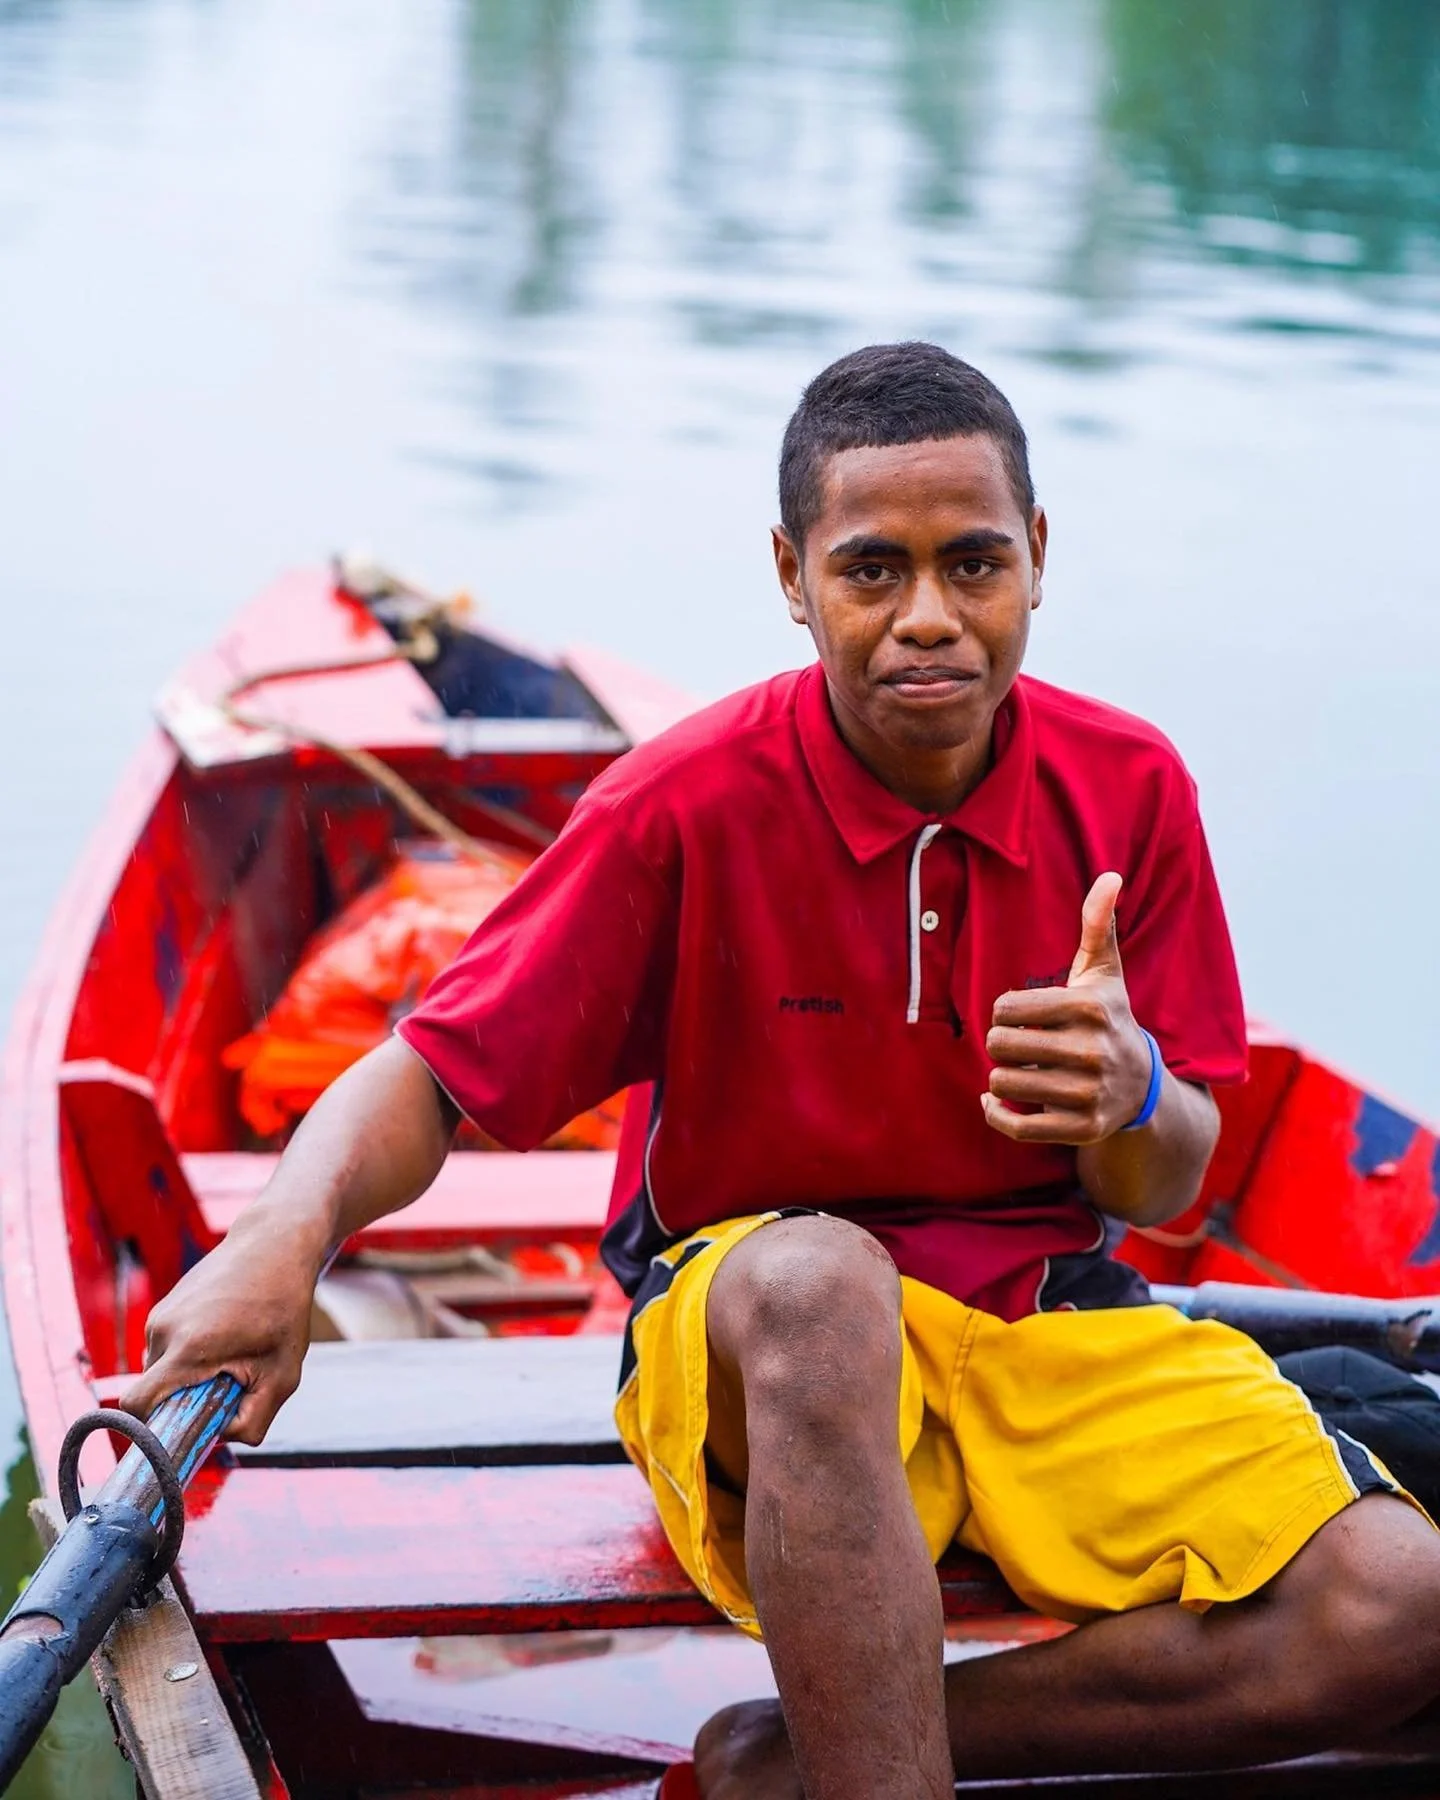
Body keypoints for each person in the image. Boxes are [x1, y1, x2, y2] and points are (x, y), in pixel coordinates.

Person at [124, 343, 1440, 1799]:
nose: (928, 619)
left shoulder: (1130, 789)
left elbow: (1169, 1174)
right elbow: (430, 1074)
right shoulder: (683, 803)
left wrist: (1129, 1093)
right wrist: (278, 1240)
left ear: (1039, 559)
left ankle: (795, 1760)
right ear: (791, 574)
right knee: (822, 1280)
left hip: (1048, 1325)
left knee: (1402, 1603)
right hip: (760, 1347)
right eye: (873, 570)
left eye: (974, 564)